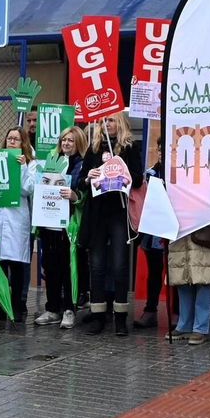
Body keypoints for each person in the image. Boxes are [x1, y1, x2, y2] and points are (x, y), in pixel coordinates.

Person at [76, 112, 144, 336]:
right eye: (103, 121)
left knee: (119, 266)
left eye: (111, 120)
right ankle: (98, 316)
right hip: (96, 214)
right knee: (96, 266)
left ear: (120, 123)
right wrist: (89, 177)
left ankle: (121, 318)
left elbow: (137, 179)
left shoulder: (130, 147)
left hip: (119, 213)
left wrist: (122, 170)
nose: (107, 124)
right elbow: (81, 182)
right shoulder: (93, 149)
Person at [160, 157, 210, 346]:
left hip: (201, 230)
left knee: (203, 279)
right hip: (180, 232)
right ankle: (184, 323)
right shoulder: (172, 174)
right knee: (183, 280)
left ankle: (200, 327)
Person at [0, 127, 37, 323]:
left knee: (17, 264)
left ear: (23, 143)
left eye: (17, 139)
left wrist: (21, 167)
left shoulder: (30, 163)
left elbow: (28, 189)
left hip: (17, 217)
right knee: (0, 264)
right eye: (9, 138)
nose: (12, 142)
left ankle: (18, 306)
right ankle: (0, 306)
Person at [38, 125, 88, 328]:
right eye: (63, 140)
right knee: (50, 267)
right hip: (48, 222)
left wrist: (75, 196)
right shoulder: (52, 162)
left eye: (70, 140)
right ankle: (52, 309)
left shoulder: (82, 165)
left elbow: (85, 195)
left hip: (69, 225)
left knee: (69, 269)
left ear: (78, 143)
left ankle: (69, 309)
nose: (66, 143)